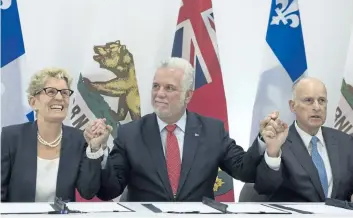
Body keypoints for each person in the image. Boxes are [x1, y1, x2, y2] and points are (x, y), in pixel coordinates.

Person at [82, 57, 284, 202]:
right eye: (155, 86)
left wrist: (263, 142)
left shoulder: (212, 130)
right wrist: (97, 152)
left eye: (169, 88)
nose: (159, 93)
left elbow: (244, 171)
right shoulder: (131, 134)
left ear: (188, 96)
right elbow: (108, 191)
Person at [1, 68, 104, 202]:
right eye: (51, 92)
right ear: (33, 102)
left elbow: (88, 191)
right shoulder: (11, 137)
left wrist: (94, 148)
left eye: (65, 93)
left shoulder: (79, 139)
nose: (59, 98)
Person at [255, 77, 353, 202]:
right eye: (309, 100)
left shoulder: (345, 141)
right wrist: (273, 154)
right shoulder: (279, 141)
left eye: (322, 100)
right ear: (292, 106)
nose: (317, 107)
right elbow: (265, 188)